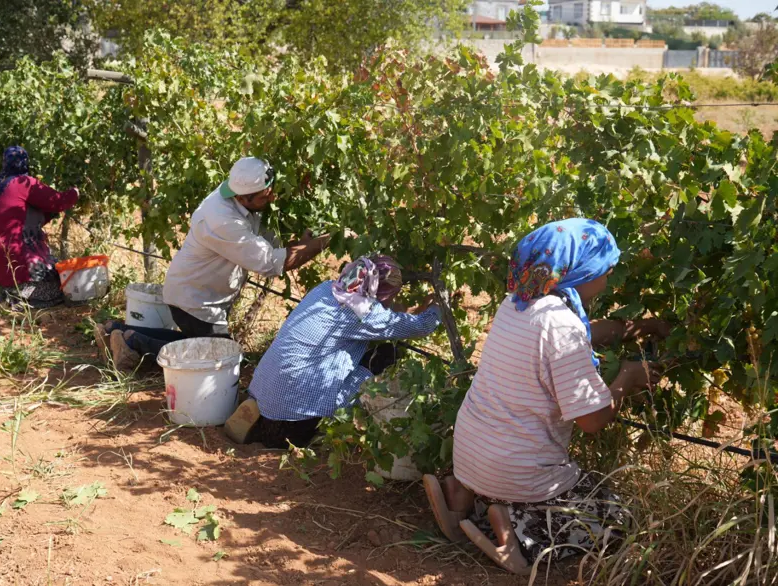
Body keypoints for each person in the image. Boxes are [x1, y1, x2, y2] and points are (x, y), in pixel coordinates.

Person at [423, 218, 670, 574]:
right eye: (606, 269)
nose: (608, 277)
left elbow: (576, 337)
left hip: (470, 454)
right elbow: (592, 420)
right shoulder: (561, 326)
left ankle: (460, 497)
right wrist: (628, 378)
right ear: (582, 272)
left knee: (504, 477)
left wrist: (637, 327)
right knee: (616, 519)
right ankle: (520, 537)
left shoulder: (519, 302)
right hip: (516, 470)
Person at [97, 157, 331, 370]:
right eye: (264, 196)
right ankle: (133, 344)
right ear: (242, 197)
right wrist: (321, 243)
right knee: (217, 359)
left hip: (193, 291)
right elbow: (269, 263)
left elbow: (266, 246)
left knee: (198, 343)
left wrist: (301, 243)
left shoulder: (234, 193)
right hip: (196, 301)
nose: (270, 198)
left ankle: (115, 331)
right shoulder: (223, 220)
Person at [224, 255, 442, 449]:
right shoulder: (361, 313)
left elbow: (386, 317)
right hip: (296, 405)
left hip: (263, 385)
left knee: (343, 356)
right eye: (390, 296)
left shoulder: (328, 288)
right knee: (385, 356)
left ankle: (262, 415)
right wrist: (436, 306)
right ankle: (298, 432)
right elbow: (418, 327)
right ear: (381, 293)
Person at [0, 146, 78, 309]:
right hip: (16, 253)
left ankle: (4, 296)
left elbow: (23, 216)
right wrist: (75, 193)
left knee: (41, 277)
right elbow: (58, 201)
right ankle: (15, 302)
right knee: (61, 288)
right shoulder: (23, 183)